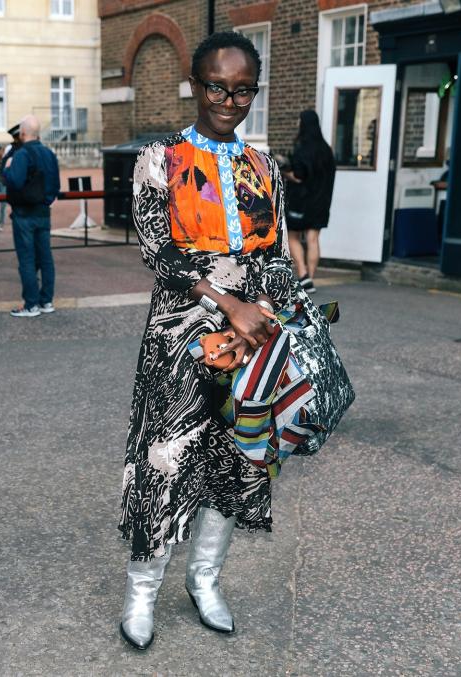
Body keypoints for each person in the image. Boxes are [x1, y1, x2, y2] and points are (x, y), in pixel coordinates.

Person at [118, 31, 314, 651]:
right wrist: (227, 302)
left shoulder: (263, 167)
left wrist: (271, 311)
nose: (230, 99)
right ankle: (142, 592)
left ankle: (205, 581)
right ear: (196, 85)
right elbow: (159, 250)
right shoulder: (161, 157)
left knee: (238, 457)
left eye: (243, 89)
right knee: (164, 459)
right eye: (217, 86)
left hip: (251, 335)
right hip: (180, 333)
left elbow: (276, 254)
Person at [2, 114, 60, 317]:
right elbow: (55, 186)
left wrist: (7, 170)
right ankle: (47, 301)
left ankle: (31, 305)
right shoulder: (49, 153)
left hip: (24, 213)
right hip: (44, 212)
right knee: (45, 258)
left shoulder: (21, 154)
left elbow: (14, 181)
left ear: (23, 133)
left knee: (27, 259)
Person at [284, 110, 335, 292]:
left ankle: (303, 274)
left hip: (301, 201)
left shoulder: (302, 148)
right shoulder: (327, 150)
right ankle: (309, 281)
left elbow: (298, 176)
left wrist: (284, 171)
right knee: (313, 239)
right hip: (321, 201)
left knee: (292, 236)